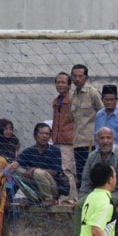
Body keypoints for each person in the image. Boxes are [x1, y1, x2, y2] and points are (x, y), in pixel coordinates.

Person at [14, 122, 67, 207]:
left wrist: (35, 170)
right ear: (35, 136)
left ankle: (49, 199)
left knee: (38, 172)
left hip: (52, 187)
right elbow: (15, 164)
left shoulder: (55, 151)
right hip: (36, 187)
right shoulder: (29, 151)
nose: (45, 136)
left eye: (47, 134)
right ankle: (33, 199)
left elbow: (56, 172)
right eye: (42, 133)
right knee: (16, 171)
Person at [70, 64, 103, 189]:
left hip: (90, 143)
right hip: (77, 142)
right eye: (75, 76)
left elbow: (102, 114)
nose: (77, 79)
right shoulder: (73, 95)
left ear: (86, 77)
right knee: (80, 175)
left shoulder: (92, 93)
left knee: (92, 174)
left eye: (80, 76)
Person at [51, 72, 77, 201]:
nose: (60, 85)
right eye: (58, 82)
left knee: (67, 170)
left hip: (68, 141)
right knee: (59, 170)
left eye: (63, 82)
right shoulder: (57, 101)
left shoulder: (72, 100)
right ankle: (63, 195)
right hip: (57, 140)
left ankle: (70, 198)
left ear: (69, 85)